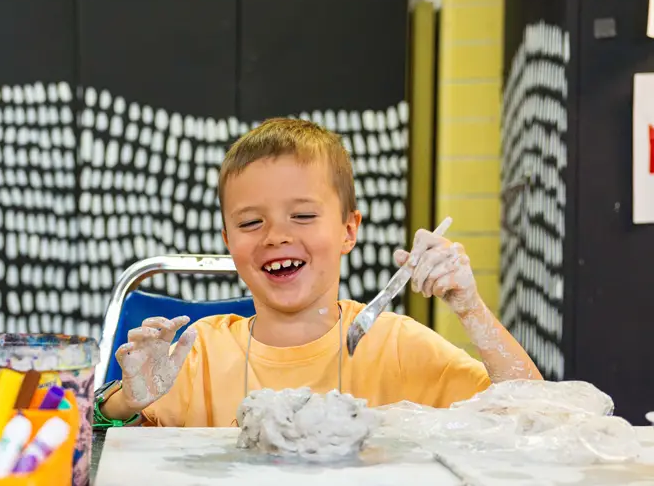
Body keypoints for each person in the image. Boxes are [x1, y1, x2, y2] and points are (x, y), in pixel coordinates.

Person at [95, 118, 541, 428]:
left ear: (349, 230)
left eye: (303, 216)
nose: (275, 236)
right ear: (229, 243)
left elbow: (538, 415)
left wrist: (471, 309)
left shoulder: (397, 346)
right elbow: (97, 435)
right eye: (251, 223)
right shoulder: (201, 354)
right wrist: (126, 401)